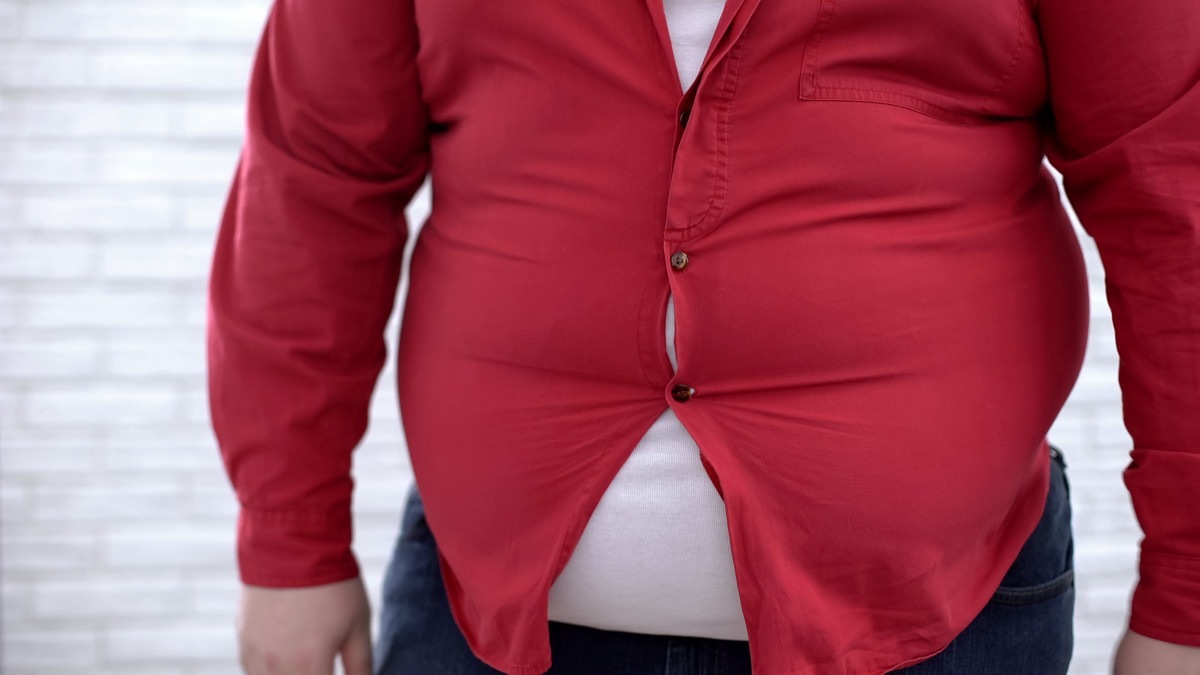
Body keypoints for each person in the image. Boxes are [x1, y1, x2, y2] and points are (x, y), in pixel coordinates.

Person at [206, 0, 1200, 673]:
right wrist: (288, 542)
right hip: (479, 612)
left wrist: (1188, 599)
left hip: (942, 625)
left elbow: (1174, 194)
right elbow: (314, 176)